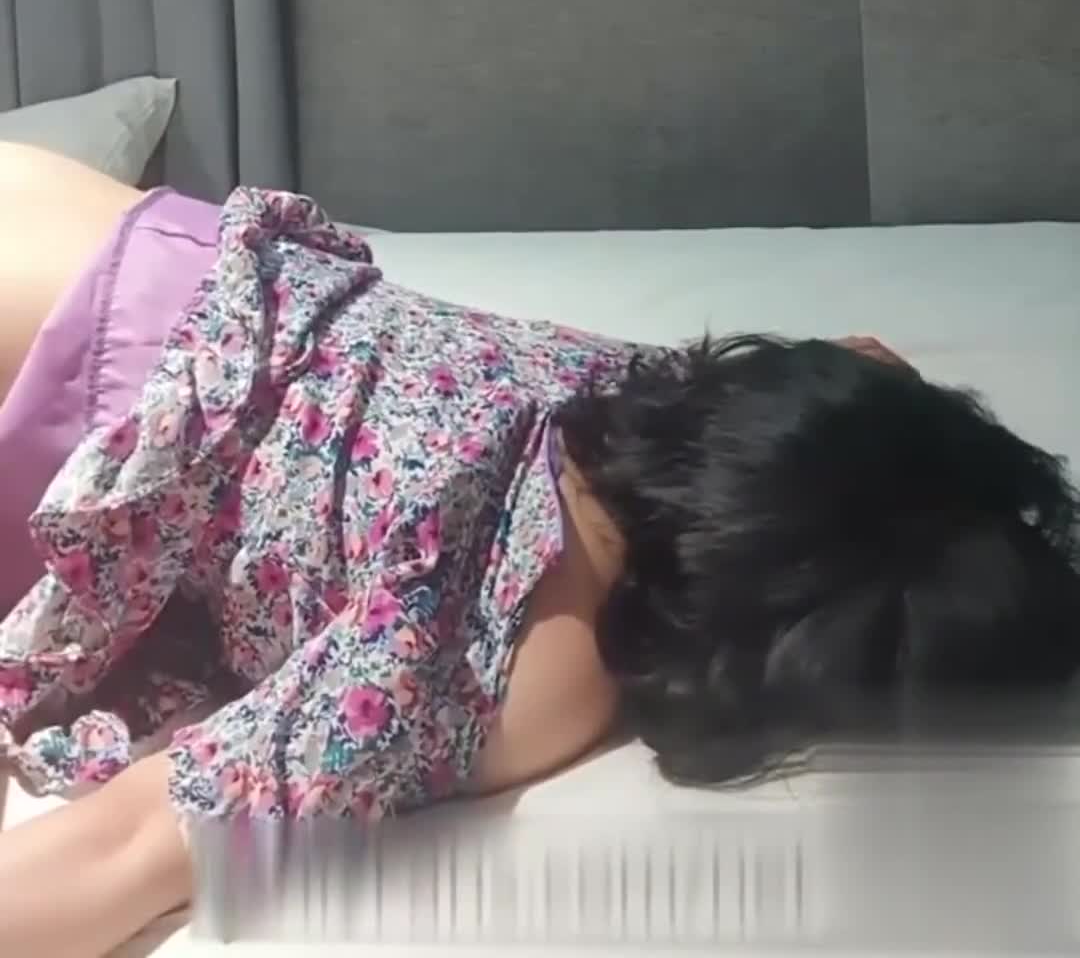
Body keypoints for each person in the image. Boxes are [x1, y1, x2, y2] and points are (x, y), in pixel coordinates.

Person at [0, 143, 1078, 958]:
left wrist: (892, 418)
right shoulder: (544, 651)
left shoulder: (641, 395)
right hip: (76, 366)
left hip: (130, 243)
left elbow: (857, 365)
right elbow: (126, 852)